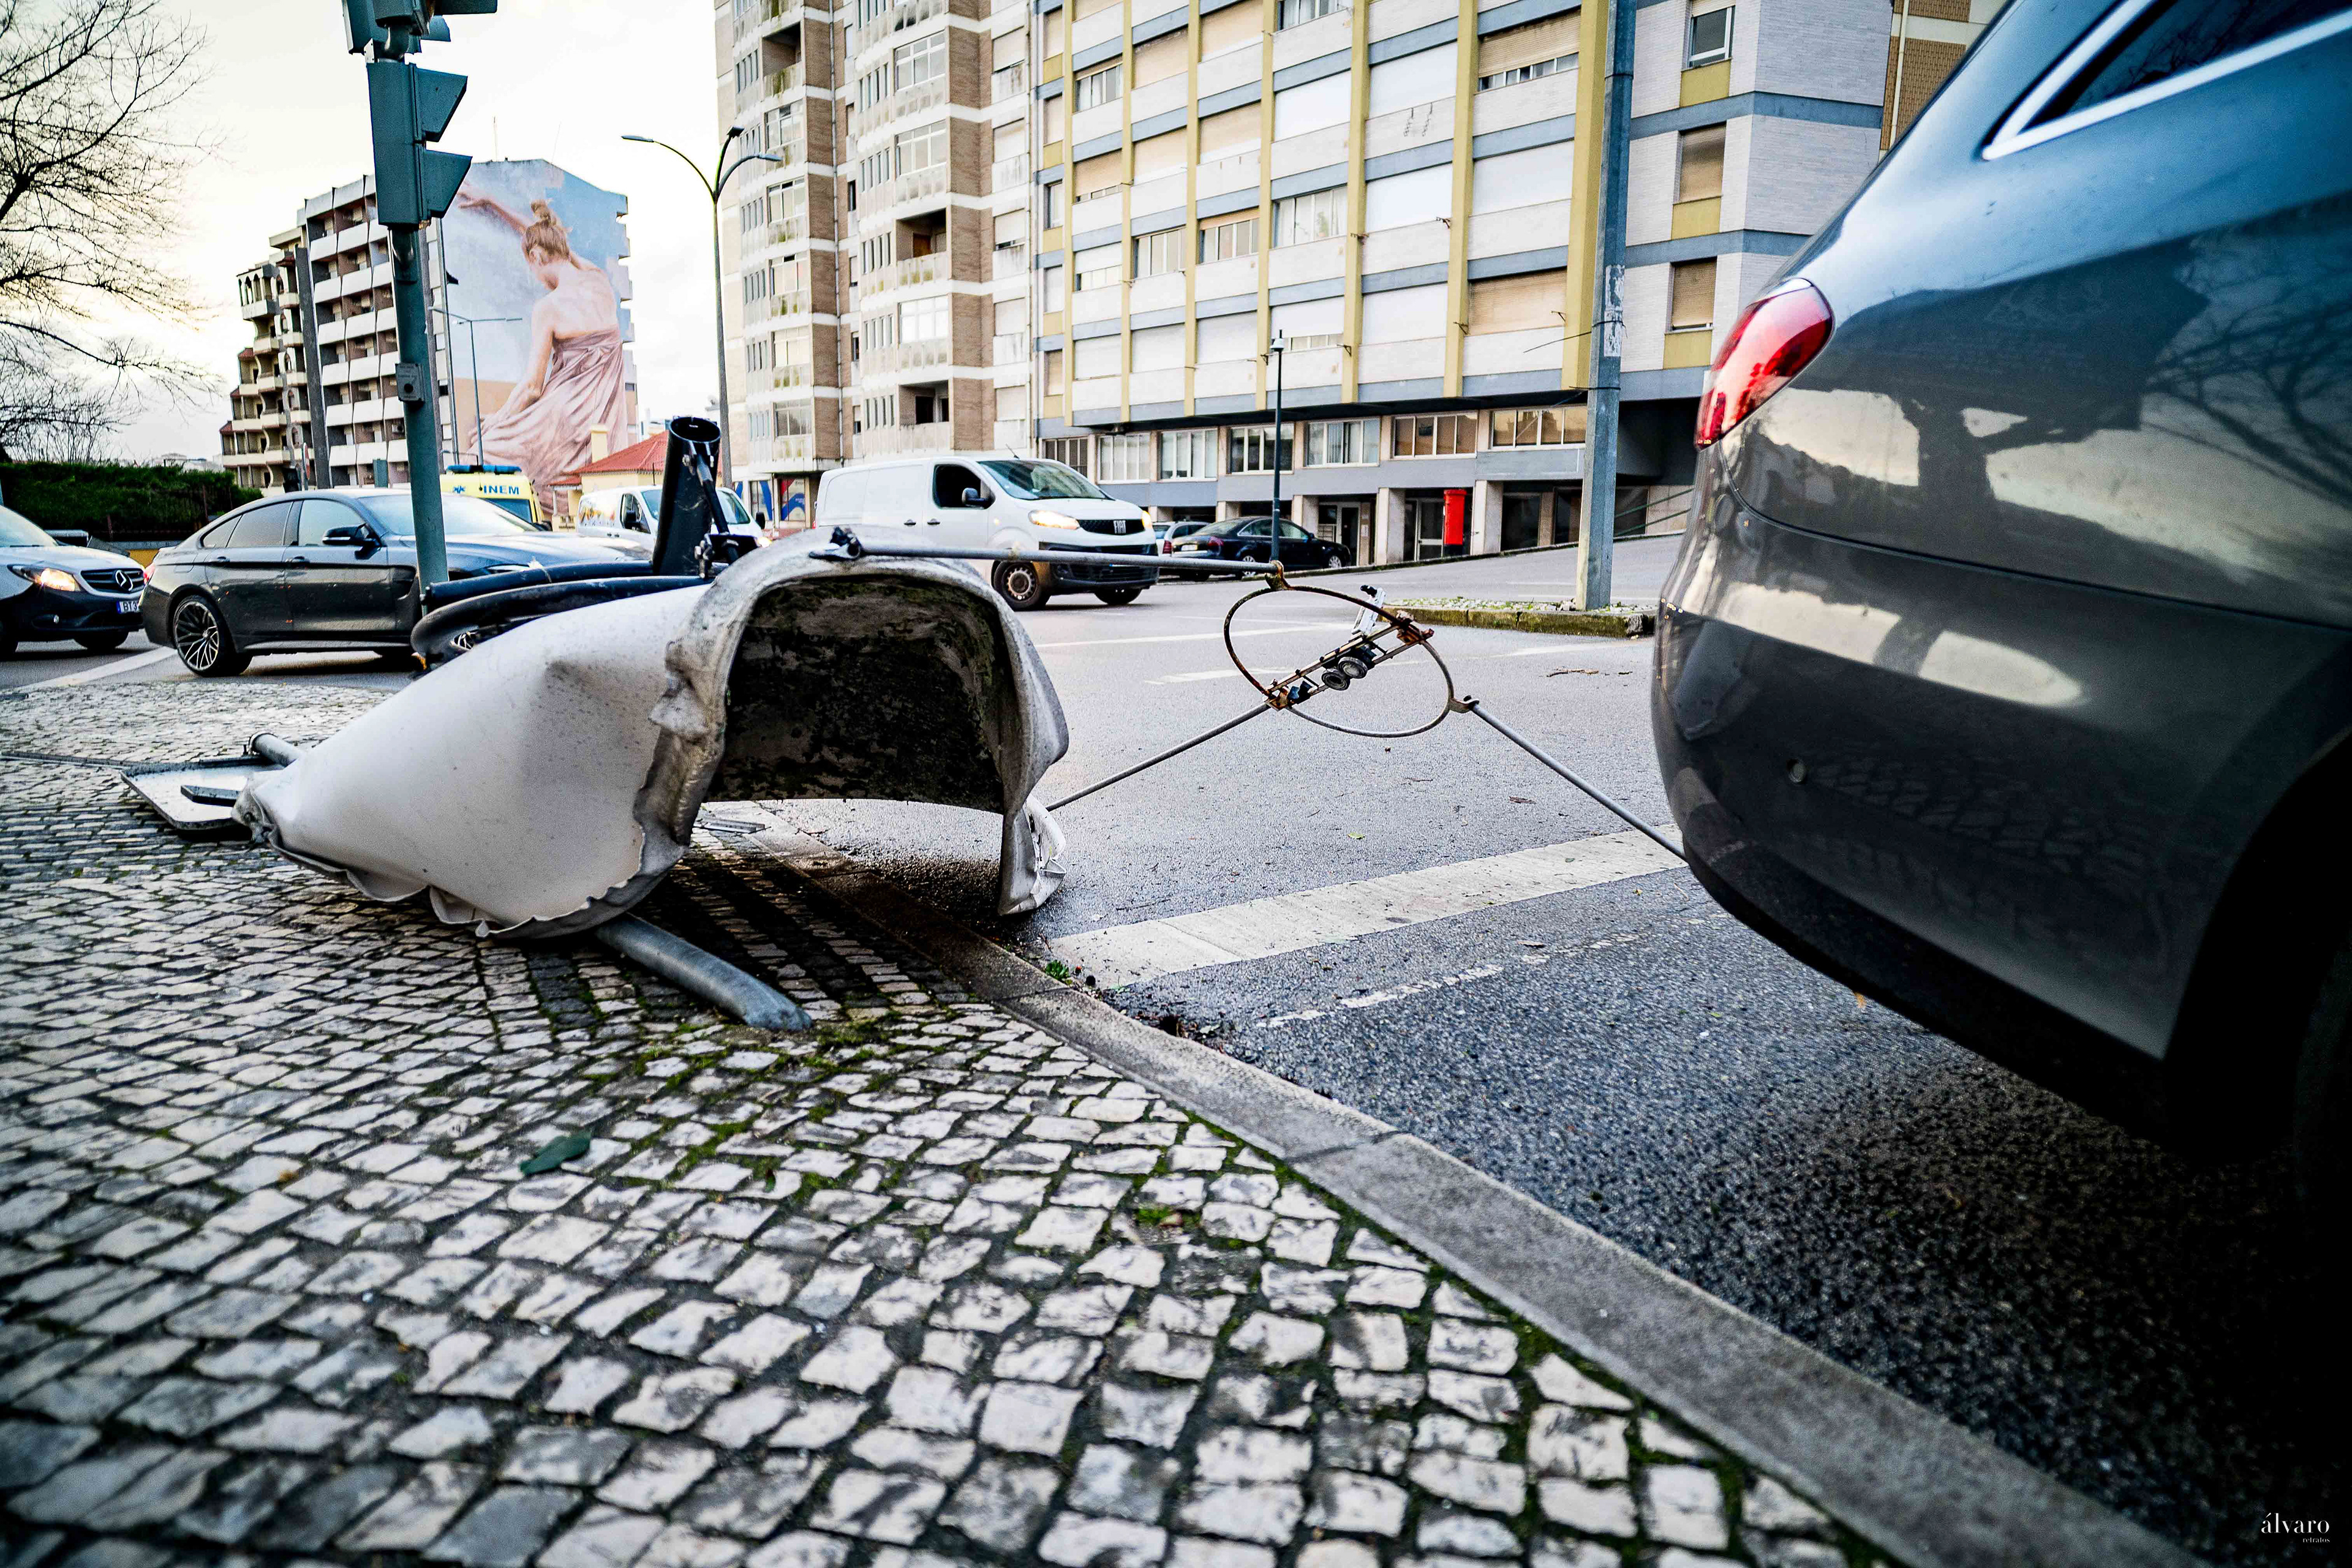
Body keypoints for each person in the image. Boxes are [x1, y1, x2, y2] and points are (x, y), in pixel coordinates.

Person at [458, 192, 630, 515]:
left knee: (478, 454)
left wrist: (496, 422)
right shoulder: (598, 280)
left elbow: (532, 388)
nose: (535, 278)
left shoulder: (548, 308)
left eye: (531, 266)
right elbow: (549, 240)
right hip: (603, 426)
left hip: (561, 421)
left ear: (535, 257)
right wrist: (494, 203)